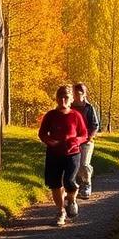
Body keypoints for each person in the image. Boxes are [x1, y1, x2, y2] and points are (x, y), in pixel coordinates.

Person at [38, 84, 89, 227]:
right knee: (55, 184)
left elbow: (84, 135)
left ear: (71, 99)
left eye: (66, 97)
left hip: (72, 153)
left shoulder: (76, 115)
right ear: (56, 98)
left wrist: (75, 141)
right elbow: (42, 134)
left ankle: (71, 199)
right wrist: (49, 141)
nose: (63, 100)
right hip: (54, 153)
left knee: (69, 181)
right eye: (60, 97)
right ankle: (60, 212)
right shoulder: (50, 115)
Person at [71, 82, 100, 198]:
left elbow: (95, 125)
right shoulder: (70, 106)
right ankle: (79, 184)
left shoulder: (89, 108)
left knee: (84, 164)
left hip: (87, 140)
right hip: (73, 140)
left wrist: (90, 137)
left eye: (78, 93)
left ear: (84, 93)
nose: (76, 96)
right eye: (74, 93)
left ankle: (87, 183)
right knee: (76, 165)